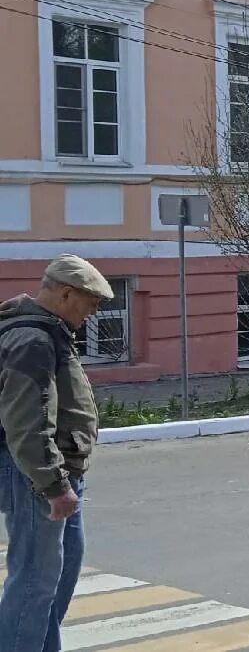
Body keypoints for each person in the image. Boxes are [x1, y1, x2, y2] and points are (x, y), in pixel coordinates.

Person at [0, 254, 112, 652]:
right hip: (39, 477)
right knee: (34, 579)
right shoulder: (32, 337)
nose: (94, 312)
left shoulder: (49, 330)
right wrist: (52, 485)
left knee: (56, 574)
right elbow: (26, 422)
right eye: (92, 302)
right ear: (67, 294)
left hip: (57, 475)